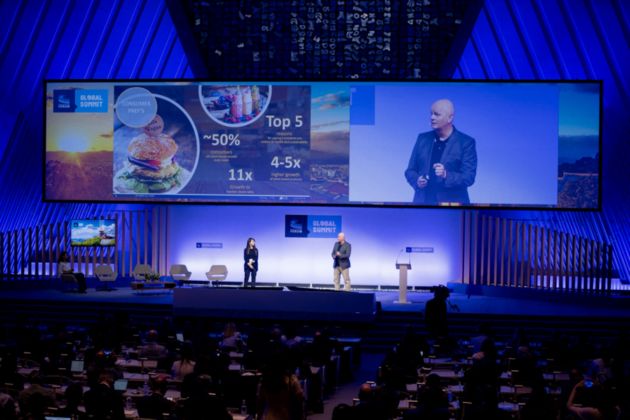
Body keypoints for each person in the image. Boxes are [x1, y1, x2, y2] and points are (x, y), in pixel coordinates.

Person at [405, 99, 477, 205]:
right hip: (423, 204)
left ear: (450, 118)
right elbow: (410, 171)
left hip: (452, 207)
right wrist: (417, 181)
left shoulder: (466, 142)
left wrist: (446, 174)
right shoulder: (422, 139)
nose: (432, 117)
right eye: (431, 114)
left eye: (437, 114)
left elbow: (468, 177)